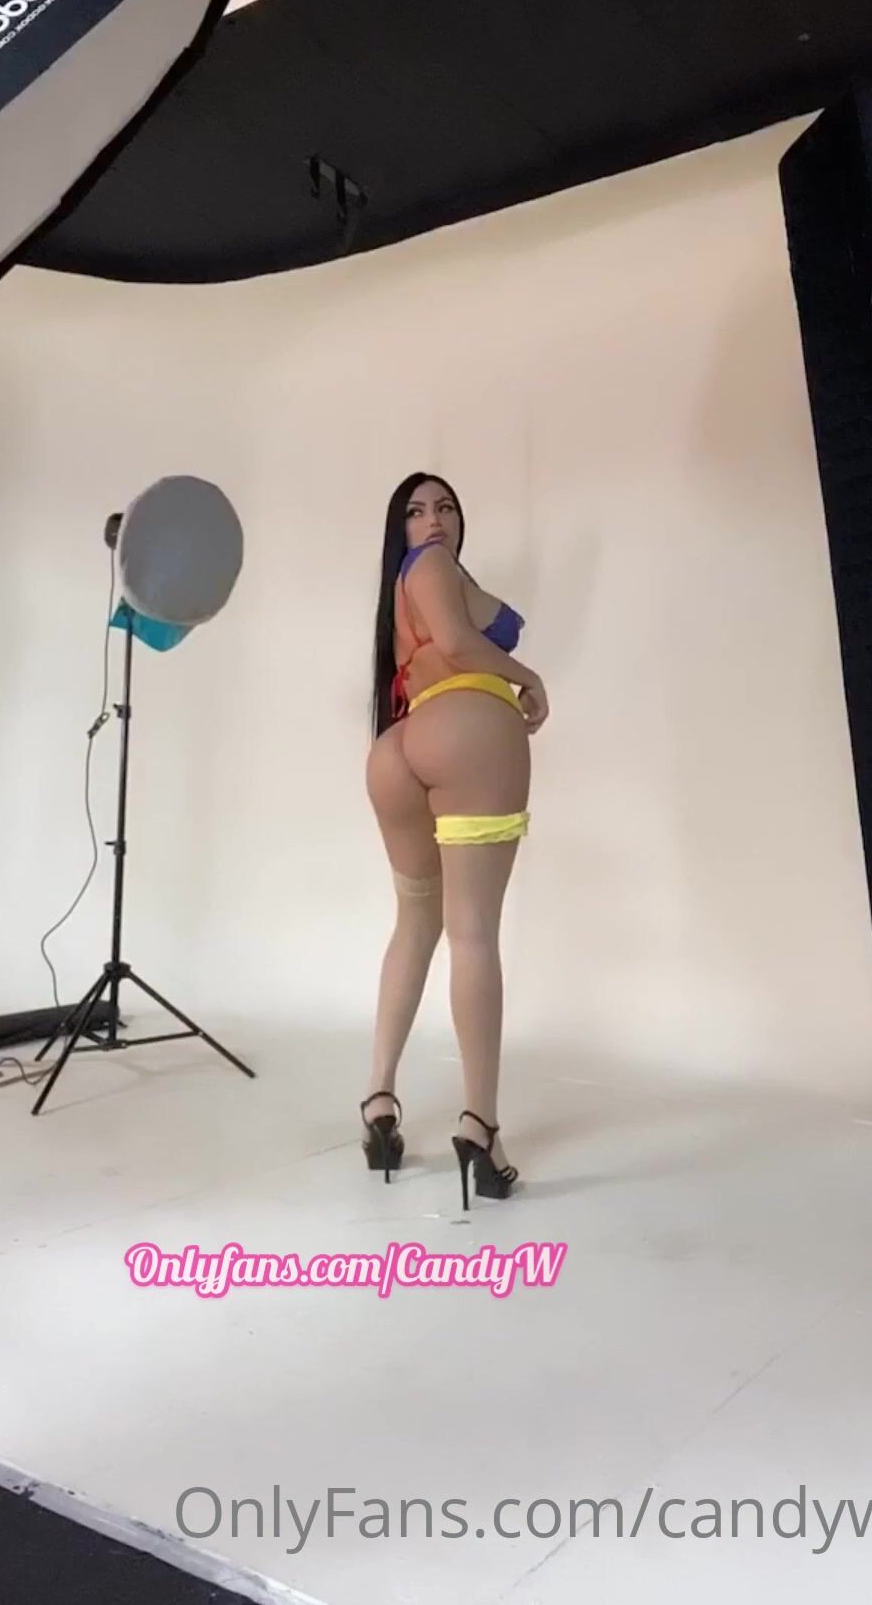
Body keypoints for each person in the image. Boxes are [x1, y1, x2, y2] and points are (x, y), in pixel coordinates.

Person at [361, 472, 548, 1209]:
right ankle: (480, 1126)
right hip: (468, 732)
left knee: (416, 923)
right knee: (472, 933)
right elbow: (459, 642)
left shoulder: (402, 588)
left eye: (445, 506)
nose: (433, 519)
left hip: (399, 751)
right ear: (400, 530)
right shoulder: (433, 566)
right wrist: (528, 676)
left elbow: (433, 647)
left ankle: (379, 1101)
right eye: (415, 511)